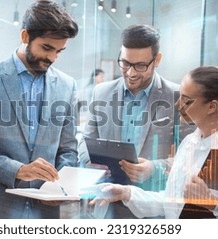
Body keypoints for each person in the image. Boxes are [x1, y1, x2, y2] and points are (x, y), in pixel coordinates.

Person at [89, 66, 218, 219]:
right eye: (180, 97)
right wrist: (126, 192)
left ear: (212, 106)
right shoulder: (189, 143)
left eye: (187, 101)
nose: (178, 105)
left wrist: (213, 204)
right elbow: (170, 202)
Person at [0, 0, 79, 219]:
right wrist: (17, 170)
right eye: (47, 48)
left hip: (45, 213)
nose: (52, 58)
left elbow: (68, 149)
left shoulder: (67, 85)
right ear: (25, 36)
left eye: (59, 51)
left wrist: (62, 184)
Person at [78, 24, 180, 218]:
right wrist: (89, 160)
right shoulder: (101, 92)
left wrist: (154, 168)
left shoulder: (177, 96)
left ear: (157, 60)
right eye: (125, 63)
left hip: (153, 207)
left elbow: (189, 158)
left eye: (140, 66)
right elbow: (85, 140)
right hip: (106, 206)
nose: (131, 73)